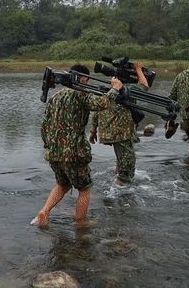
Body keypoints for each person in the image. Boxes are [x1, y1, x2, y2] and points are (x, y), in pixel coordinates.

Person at [33, 65, 123, 228]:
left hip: (54, 153)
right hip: (74, 153)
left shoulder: (56, 96)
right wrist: (115, 89)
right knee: (84, 188)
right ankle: (80, 223)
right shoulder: (81, 93)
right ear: (83, 79)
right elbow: (102, 103)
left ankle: (44, 212)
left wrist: (49, 146)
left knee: (63, 184)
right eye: (86, 79)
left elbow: (44, 126)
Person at [89, 62, 149, 185]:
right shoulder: (129, 90)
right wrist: (138, 69)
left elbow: (98, 111)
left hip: (107, 133)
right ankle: (119, 188)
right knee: (127, 166)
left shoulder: (107, 92)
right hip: (122, 133)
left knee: (121, 156)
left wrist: (93, 130)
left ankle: (117, 174)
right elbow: (144, 85)